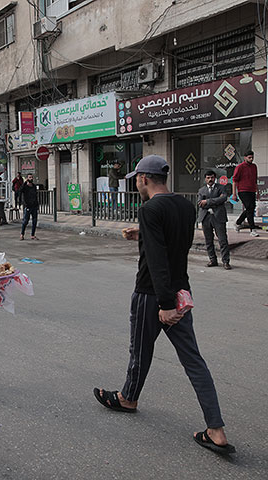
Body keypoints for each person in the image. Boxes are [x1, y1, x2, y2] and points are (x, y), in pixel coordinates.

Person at [93, 155, 235, 456]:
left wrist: (165, 304)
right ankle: (216, 429)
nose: (136, 183)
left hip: (153, 294)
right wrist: (142, 235)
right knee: (194, 361)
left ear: (144, 178)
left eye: (137, 179)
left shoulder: (149, 208)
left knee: (140, 352)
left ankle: (128, 399)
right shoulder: (184, 205)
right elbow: (174, 243)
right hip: (182, 290)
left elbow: (157, 259)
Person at [198, 170, 231, 270]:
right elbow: (199, 203)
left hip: (218, 217)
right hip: (206, 217)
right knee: (208, 240)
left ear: (215, 178)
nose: (210, 180)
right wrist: (215, 201)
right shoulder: (201, 190)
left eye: (212, 178)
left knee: (222, 240)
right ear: (205, 179)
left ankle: (226, 261)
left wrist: (207, 201)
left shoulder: (221, 188)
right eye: (208, 178)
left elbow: (223, 198)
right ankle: (212, 259)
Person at [232, 150, 259, 237]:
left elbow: (255, 180)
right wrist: (234, 194)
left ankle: (238, 222)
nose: (251, 159)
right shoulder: (240, 167)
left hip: (252, 190)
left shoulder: (254, 167)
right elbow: (234, 181)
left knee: (250, 208)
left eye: (252, 158)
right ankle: (252, 229)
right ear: (245, 158)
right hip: (243, 191)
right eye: (249, 158)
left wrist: (257, 191)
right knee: (249, 208)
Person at [19, 173, 39, 240]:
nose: (31, 179)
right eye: (30, 177)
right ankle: (22, 234)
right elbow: (20, 190)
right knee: (25, 221)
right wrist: (25, 183)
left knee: (34, 221)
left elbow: (35, 196)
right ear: (27, 178)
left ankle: (32, 235)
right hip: (28, 206)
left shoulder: (33, 186)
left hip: (34, 206)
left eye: (32, 177)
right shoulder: (25, 187)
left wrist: (37, 205)